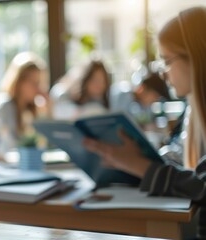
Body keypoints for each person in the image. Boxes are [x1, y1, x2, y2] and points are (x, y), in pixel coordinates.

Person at [83, 7, 206, 238]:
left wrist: (138, 164)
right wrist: (136, 157)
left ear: (197, 56)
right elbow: (185, 164)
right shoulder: (193, 113)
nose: (162, 73)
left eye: (167, 61)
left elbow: (201, 186)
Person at [0, 52, 48, 155]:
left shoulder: (33, 109)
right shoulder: (4, 105)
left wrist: (48, 111)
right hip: (4, 161)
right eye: (33, 83)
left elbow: (43, 143)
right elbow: (9, 143)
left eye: (39, 83)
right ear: (18, 81)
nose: (38, 88)